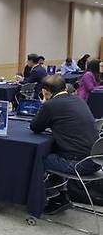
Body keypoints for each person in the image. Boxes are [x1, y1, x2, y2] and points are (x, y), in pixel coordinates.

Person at [30, 76, 101, 214]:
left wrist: (45, 103)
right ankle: (61, 194)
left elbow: (35, 127)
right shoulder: (78, 100)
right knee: (55, 154)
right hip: (96, 159)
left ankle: (54, 196)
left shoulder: (50, 105)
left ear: (45, 91)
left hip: (79, 164)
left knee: (38, 158)